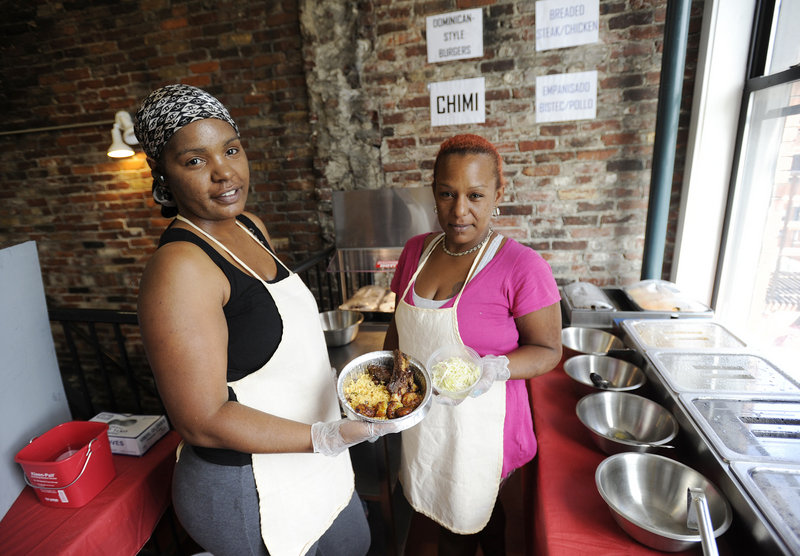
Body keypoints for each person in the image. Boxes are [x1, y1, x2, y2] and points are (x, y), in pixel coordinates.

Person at [134, 84, 410, 556]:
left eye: (231, 150)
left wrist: (334, 420)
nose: (224, 173)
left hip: (315, 455)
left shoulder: (250, 227)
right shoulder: (180, 268)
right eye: (195, 160)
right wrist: (322, 436)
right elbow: (202, 420)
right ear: (162, 173)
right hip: (249, 487)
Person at [383, 133, 562, 555]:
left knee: (462, 525)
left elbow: (548, 351)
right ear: (433, 192)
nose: (459, 211)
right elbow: (399, 327)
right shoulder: (415, 251)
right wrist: (388, 374)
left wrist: (493, 369)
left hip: (483, 424)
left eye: (475, 195)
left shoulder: (522, 266)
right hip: (425, 417)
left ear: (499, 193)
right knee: (445, 504)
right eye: (447, 194)